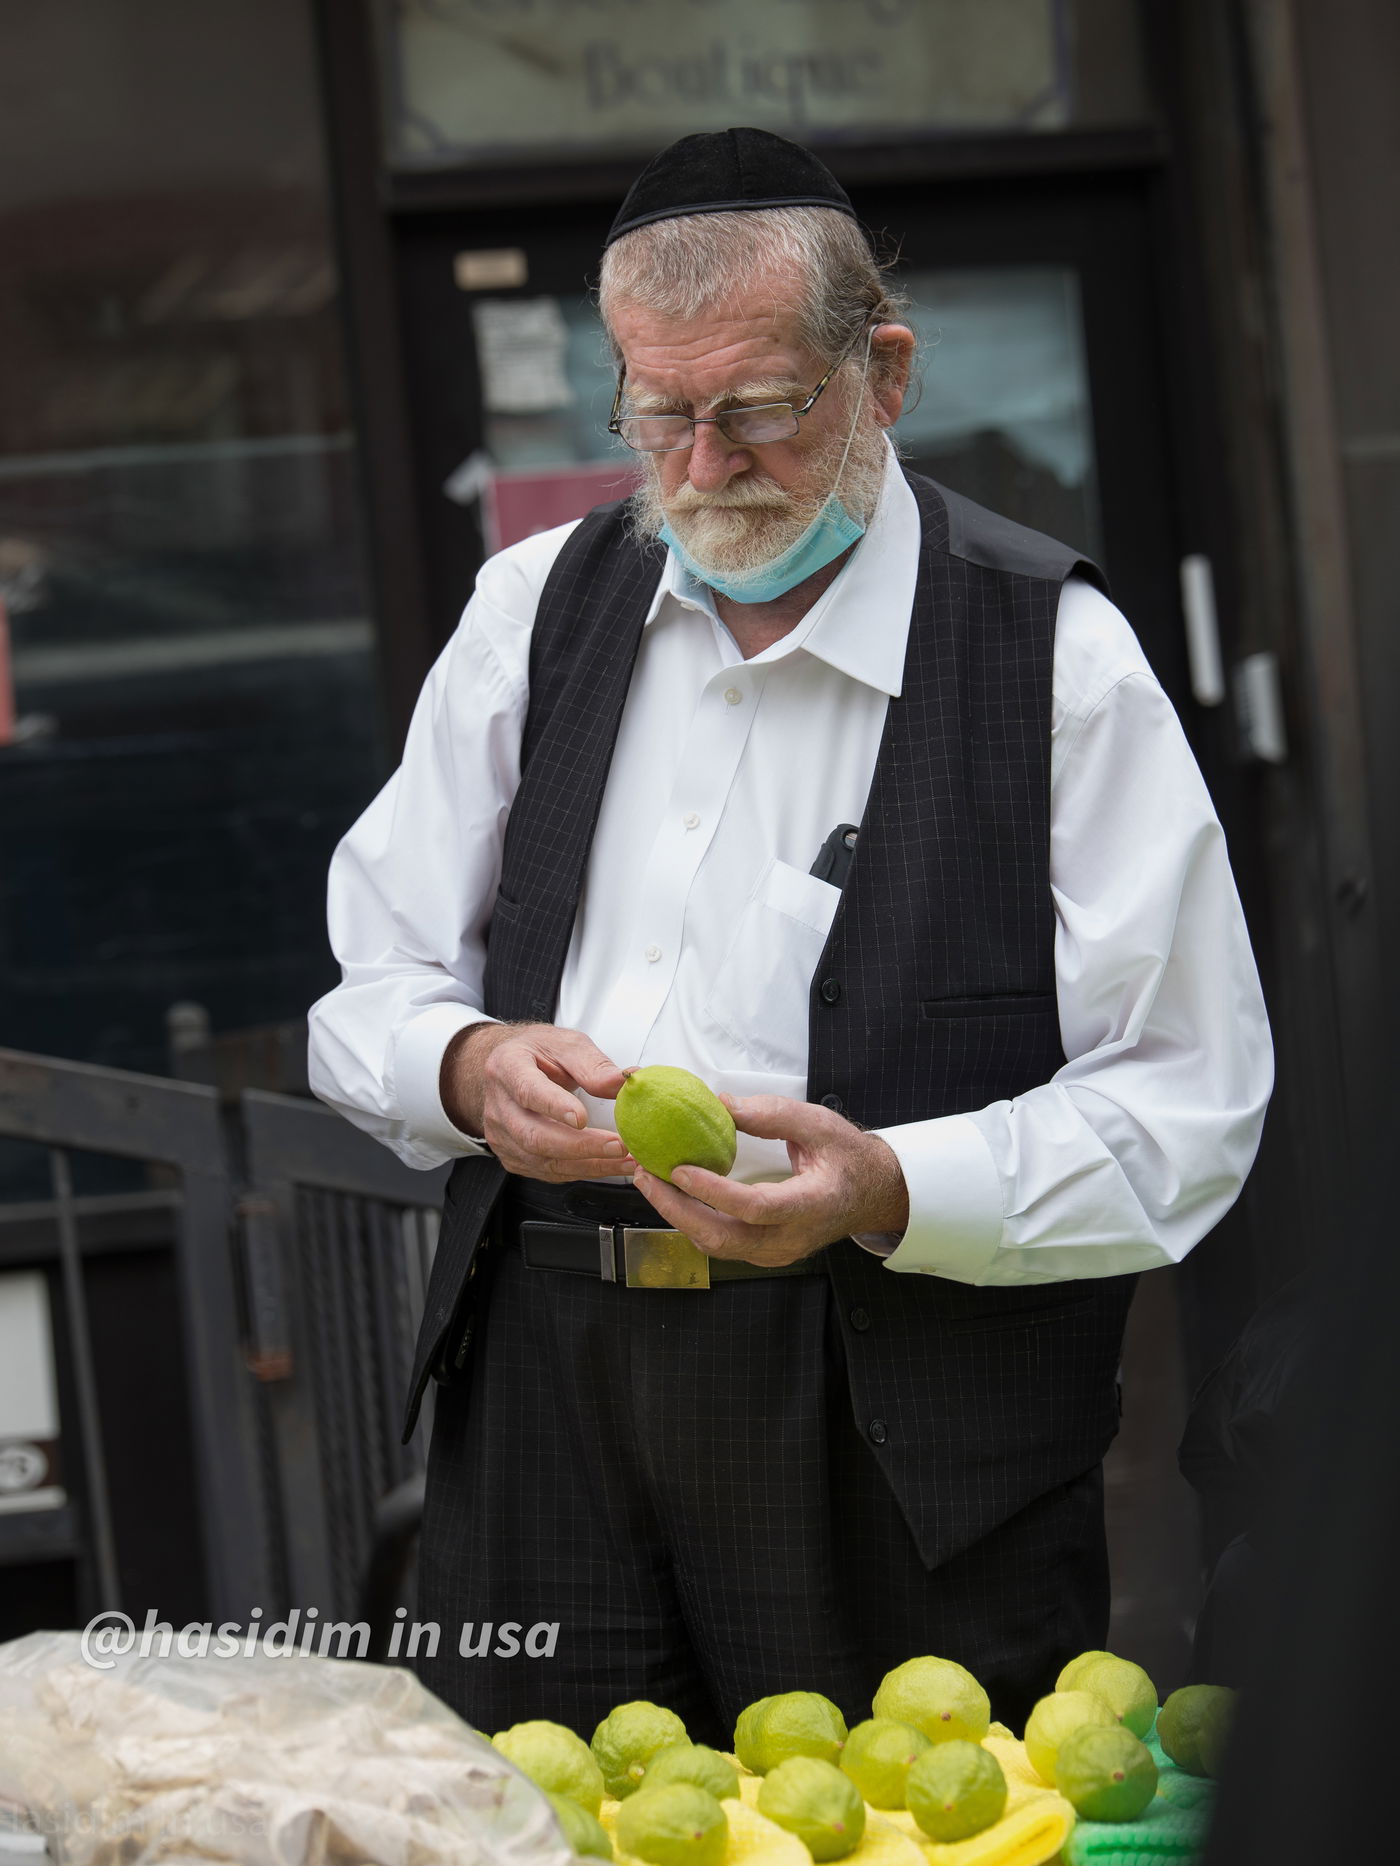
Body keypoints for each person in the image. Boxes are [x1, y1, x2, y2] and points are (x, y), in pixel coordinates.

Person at [308, 128, 1272, 1742]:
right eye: (657, 412)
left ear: (881, 371)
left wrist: (890, 1184)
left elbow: (1191, 1103)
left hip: (898, 1426)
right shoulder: (530, 608)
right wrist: (466, 1063)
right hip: (547, 1386)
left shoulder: (1060, 660)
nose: (699, 467)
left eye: (756, 409)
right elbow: (369, 990)